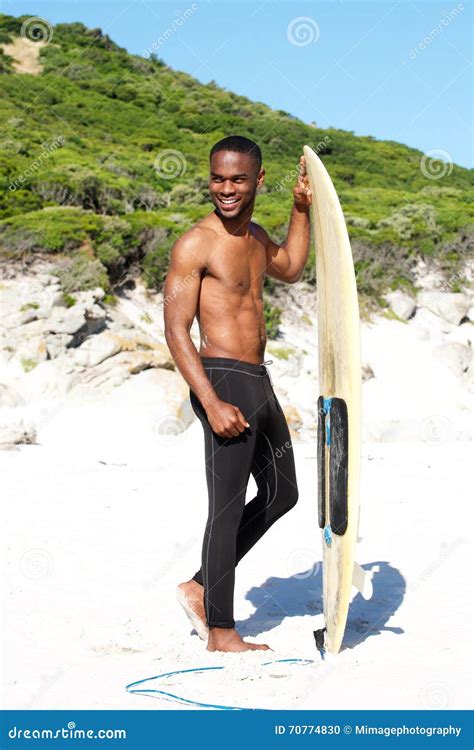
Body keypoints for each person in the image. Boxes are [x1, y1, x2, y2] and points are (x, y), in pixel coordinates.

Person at [163, 135, 312, 652]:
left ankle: (201, 584)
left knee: (282, 493)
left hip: (258, 380)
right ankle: (221, 631)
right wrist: (209, 399)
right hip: (221, 378)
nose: (226, 188)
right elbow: (176, 329)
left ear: (257, 180)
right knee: (224, 508)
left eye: (237, 179)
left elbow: (291, 267)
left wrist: (300, 209)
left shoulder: (255, 238)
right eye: (217, 178)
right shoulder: (195, 243)